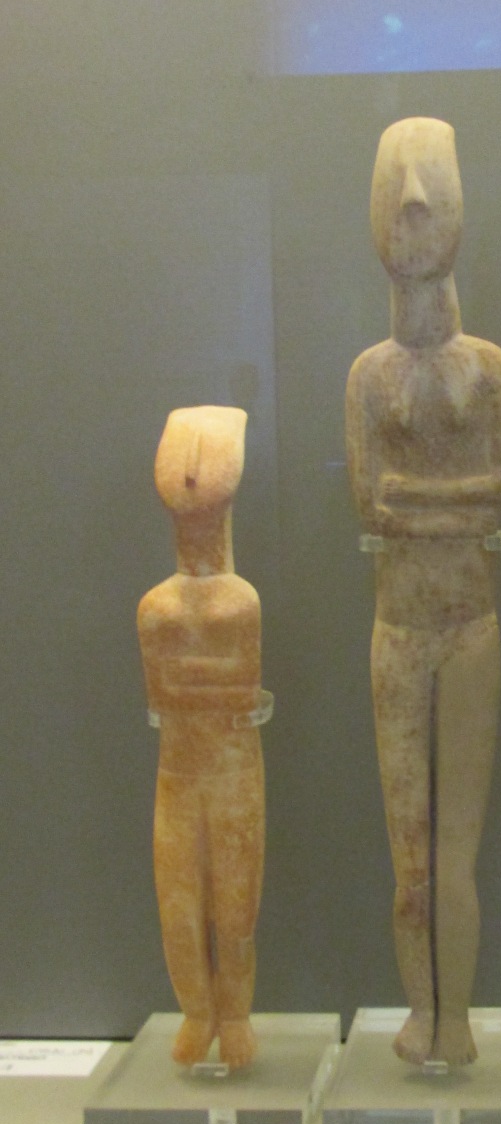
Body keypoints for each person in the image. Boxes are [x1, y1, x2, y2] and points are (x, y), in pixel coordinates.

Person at [346, 117, 501, 1065]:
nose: (412, 206)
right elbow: (368, 500)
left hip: (466, 623)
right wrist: (437, 501)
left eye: (429, 190)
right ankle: (423, 1017)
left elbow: (497, 487)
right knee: (409, 860)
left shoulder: (486, 369)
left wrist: (421, 499)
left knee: (454, 858)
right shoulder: (369, 377)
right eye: (396, 191)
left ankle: (455, 1025)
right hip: (398, 628)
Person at [137, 406, 270, 1069]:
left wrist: (195, 685)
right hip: (180, 775)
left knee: (236, 909)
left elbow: (240, 688)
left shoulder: (241, 601)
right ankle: (197, 1013)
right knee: (180, 909)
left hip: (233, 773)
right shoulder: (157, 606)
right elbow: (163, 693)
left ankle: (235, 1015)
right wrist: (207, 686)